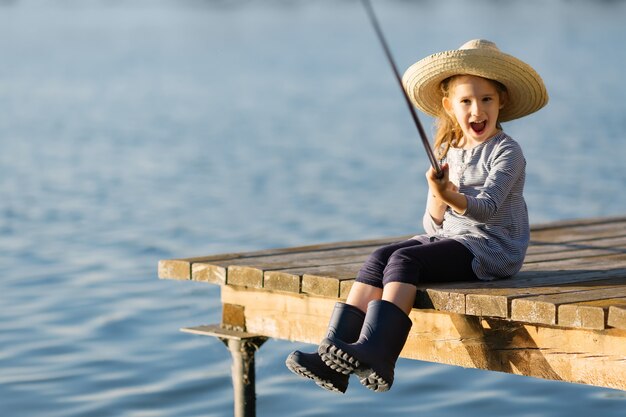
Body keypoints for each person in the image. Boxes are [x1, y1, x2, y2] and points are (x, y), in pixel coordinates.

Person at [285, 39, 548, 394]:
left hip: (492, 250)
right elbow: (432, 226)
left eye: (486, 99)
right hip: (454, 241)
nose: (477, 110)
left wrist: (448, 195)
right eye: (466, 101)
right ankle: (332, 357)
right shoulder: (451, 151)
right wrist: (437, 200)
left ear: (502, 102)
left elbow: (487, 210)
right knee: (381, 257)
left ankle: (379, 352)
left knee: (407, 260)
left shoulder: (507, 152)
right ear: (449, 106)